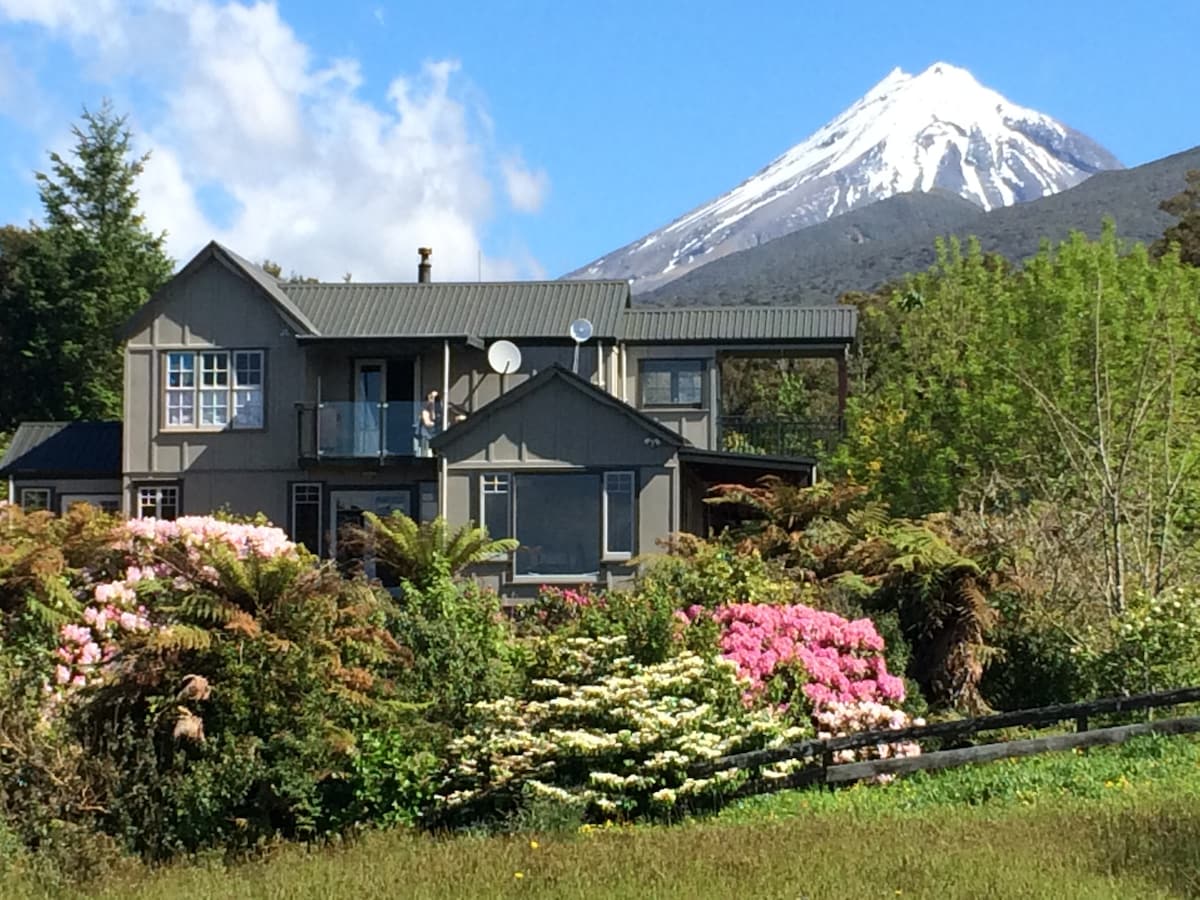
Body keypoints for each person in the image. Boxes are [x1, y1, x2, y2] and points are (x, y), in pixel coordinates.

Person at [419, 390, 442, 456]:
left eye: (436, 399)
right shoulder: (424, 411)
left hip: (440, 436)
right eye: (431, 398)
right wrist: (432, 406)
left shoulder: (441, 410)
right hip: (429, 438)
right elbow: (428, 423)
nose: (434, 401)